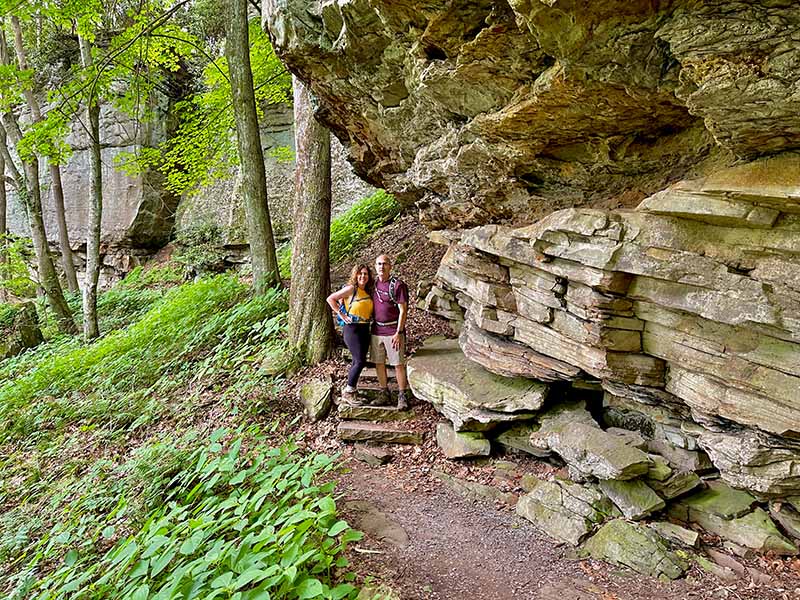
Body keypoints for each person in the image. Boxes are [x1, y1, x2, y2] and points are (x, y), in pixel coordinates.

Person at [326, 264, 374, 402]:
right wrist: (341, 314)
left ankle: (352, 391)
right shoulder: (351, 289)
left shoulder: (368, 292)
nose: (363, 276)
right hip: (352, 328)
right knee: (359, 361)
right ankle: (349, 391)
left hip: (365, 328)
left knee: (357, 360)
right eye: (360, 273)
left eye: (365, 274)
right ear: (355, 275)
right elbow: (331, 299)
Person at [371, 254, 411, 410]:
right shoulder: (372, 285)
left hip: (393, 330)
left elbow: (403, 310)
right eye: (379, 264)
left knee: (398, 363)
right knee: (379, 363)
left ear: (390, 266)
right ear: (375, 266)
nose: (382, 267)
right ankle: (384, 392)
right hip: (376, 330)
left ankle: (402, 395)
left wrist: (398, 332)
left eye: (385, 264)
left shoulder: (397, 285)